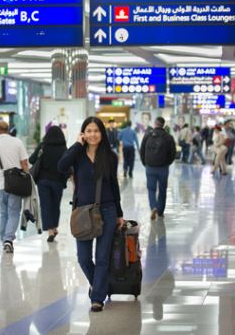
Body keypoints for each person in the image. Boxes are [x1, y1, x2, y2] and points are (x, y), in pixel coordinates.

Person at [58, 116, 124, 312]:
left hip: (107, 210)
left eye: (96, 131)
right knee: (84, 258)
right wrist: (77, 145)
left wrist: (119, 213)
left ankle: (97, 298)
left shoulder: (110, 157)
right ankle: (99, 285)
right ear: (83, 133)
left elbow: (113, 185)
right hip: (83, 212)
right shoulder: (77, 155)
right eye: (89, 131)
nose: (93, 134)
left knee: (102, 257)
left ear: (102, 134)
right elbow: (61, 167)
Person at [0, 121, 28, 253]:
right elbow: (25, 164)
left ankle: (4, 239)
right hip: (16, 184)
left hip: (0, 185)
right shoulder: (17, 142)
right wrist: (27, 180)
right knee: (14, 212)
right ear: (7, 130)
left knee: (4, 213)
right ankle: (8, 240)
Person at [29, 126, 69, 242]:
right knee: (55, 205)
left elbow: (32, 160)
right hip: (58, 181)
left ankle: (50, 230)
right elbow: (68, 164)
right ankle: (54, 227)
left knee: (45, 205)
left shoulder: (43, 146)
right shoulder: (63, 148)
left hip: (43, 181)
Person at [140, 117, 176, 220]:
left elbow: (142, 150)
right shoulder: (168, 137)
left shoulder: (147, 135)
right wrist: (167, 163)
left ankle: (153, 207)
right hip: (163, 168)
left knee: (151, 189)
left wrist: (145, 163)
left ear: (155, 124)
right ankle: (160, 212)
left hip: (150, 167)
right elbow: (173, 154)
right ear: (163, 125)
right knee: (162, 189)